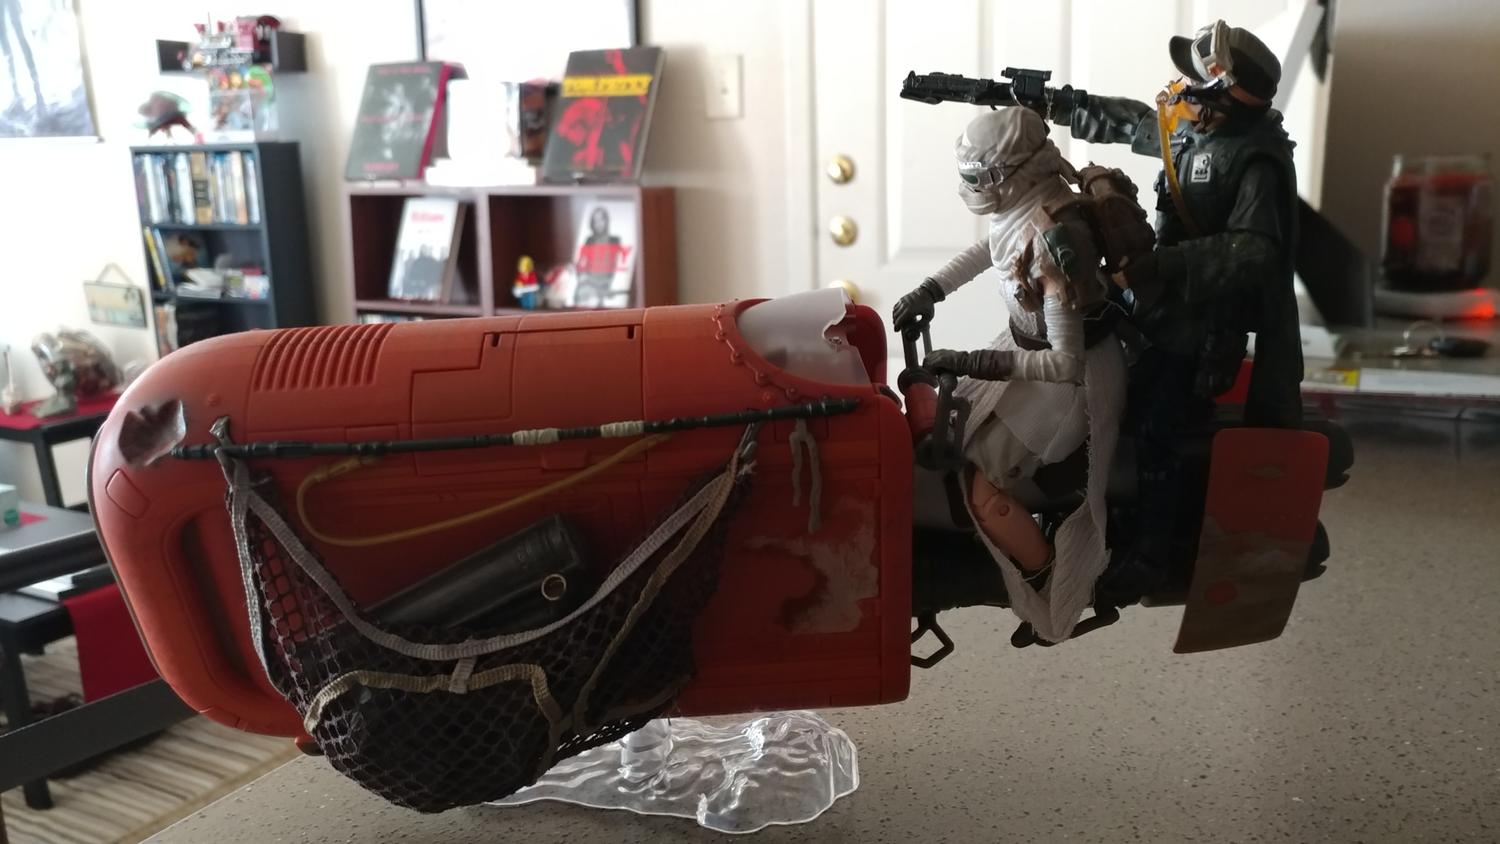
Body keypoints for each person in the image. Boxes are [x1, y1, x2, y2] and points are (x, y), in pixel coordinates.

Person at [1043, 20, 1303, 598]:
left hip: (1203, 324)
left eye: (1194, 80)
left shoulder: (1254, 159)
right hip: (1156, 307)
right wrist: (1056, 104)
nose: (1180, 88)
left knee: (1156, 429)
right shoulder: (1190, 131)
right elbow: (1127, 121)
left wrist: (1164, 265)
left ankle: (1153, 555)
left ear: (1223, 92)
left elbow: (1255, 250)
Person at [893, 107, 1127, 644]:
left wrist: (975, 362)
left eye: (983, 178)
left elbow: (1065, 364)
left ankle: (1047, 581)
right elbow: (993, 248)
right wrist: (932, 289)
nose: (974, 189)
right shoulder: (1024, 209)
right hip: (1024, 352)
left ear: (1017, 172)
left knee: (978, 484)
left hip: (1071, 385)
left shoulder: (1053, 246)